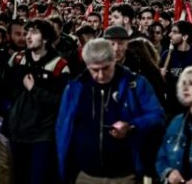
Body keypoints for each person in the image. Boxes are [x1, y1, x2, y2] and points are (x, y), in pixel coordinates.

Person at [56, 38, 166, 183]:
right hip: (85, 175)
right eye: (95, 70)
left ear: (114, 60)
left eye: (106, 68)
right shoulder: (75, 89)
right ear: (86, 65)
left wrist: (131, 125)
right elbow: (63, 128)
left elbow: (158, 116)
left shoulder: (136, 84)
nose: (100, 75)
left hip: (125, 175)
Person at [3, 18, 70, 184]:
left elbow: (61, 102)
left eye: (34, 32)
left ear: (45, 38)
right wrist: (10, 112)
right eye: (27, 32)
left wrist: (35, 90)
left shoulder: (59, 65)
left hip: (42, 136)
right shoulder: (18, 59)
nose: (28, 36)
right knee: (18, 178)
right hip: (17, 132)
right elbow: (4, 88)